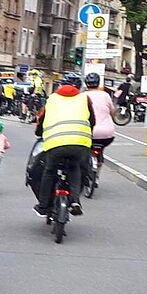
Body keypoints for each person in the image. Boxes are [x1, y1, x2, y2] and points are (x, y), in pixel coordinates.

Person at [31, 74, 95, 217]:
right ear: (79, 87)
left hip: (55, 143)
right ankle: (75, 201)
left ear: (60, 85)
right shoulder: (85, 98)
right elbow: (92, 120)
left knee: (49, 170)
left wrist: (39, 132)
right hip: (80, 143)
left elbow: (41, 119)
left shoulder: (52, 99)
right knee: (75, 168)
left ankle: (43, 205)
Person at [83, 72, 116, 178]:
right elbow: (112, 112)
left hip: (88, 133)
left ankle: (84, 171)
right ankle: (96, 175)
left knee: (84, 150)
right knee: (100, 149)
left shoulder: (82, 96)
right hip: (107, 134)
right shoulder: (106, 95)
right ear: (98, 84)